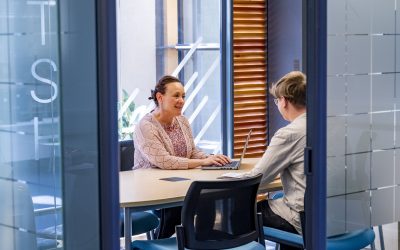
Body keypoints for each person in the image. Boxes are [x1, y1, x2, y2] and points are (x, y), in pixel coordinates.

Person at [133, 75, 231, 238]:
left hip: (178, 180)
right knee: (175, 211)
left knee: (207, 200)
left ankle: (201, 242)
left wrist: (212, 159)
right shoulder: (146, 126)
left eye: (183, 96)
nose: (182, 100)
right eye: (176, 96)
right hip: (152, 186)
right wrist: (203, 161)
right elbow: (164, 161)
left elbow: (192, 151)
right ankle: (162, 243)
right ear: (160, 97)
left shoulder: (182, 120)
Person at [224, 71, 306, 250]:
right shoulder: (327, 124)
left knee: (238, 212)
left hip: (303, 220)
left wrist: (225, 178)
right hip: (336, 215)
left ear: (283, 101)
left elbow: (256, 179)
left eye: (277, 101)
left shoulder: (290, 133)